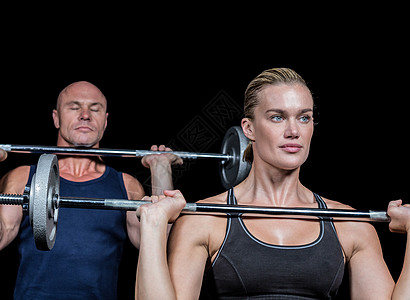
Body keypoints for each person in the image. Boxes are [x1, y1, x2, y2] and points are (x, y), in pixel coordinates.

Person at [134, 68, 410, 299]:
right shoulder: (206, 219)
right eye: (277, 117)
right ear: (248, 129)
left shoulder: (350, 224)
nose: (293, 131)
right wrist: (153, 228)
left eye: (304, 117)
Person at [0, 81, 183, 299]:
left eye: (95, 109)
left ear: (105, 122)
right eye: (74, 107)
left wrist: (160, 169)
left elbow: (160, 244)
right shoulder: (24, 177)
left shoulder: (125, 185)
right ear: (56, 118)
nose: (85, 115)